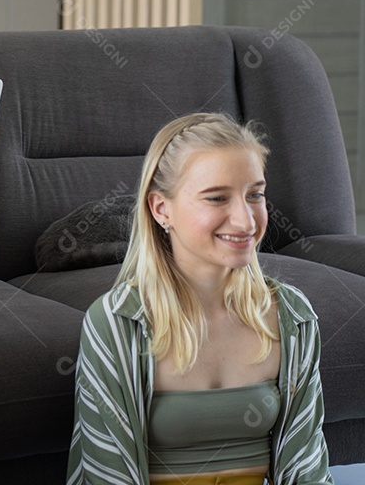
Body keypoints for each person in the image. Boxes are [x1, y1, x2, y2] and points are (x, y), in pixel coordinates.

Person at [67, 113, 332, 485]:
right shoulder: (118, 322)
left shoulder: (291, 316)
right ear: (161, 209)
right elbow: (108, 475)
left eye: (254, 194)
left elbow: (306, 468)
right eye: (217, 198)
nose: (245, 221)